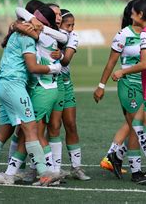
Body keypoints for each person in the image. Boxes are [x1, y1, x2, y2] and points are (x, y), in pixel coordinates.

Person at [0, 6, 63, 186]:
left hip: (3, 84)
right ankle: (45, 173)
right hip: (14, 85)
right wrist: (55, 68)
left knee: (5, 129)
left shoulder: (16, 33)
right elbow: (32, 67)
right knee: (31, 129)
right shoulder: (27, 38)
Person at [94, 0, 146, 177]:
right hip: (130, 84)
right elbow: (112, 62)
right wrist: (101, 85)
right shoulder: (124, 34)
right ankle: (139, 170)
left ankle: (119, 156)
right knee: (138, 126)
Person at [47, 9, 91, 181]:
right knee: (52, 126)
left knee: (71, 125)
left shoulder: (72, 36)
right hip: (49, 83)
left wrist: (61, 54)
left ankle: (76, 168)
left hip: (65, 83)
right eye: (68, 25)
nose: (71, 28)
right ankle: (48, 168)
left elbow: (66, 60)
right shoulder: (51, 33)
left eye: (73, 25)